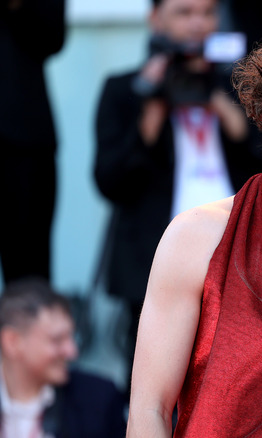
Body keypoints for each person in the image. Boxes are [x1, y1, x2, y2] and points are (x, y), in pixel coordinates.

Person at [94, 0, 262, 395]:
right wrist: (151, 108)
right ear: (155, 17)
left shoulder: (239, 87)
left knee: (236, 378)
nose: (197, 23)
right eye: (184, 12)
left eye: (207, 13)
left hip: (238, 247)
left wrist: (221, 103)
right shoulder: (125, 89)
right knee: (150, 382)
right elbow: (110, 180)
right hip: (154, 253)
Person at [0, 277, 126, 437]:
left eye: (71, 337)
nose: (72, 352)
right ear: (12, 342)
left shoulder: (98, 401)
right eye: (57, 340)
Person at [0, 0, 65, 286]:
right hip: (22, 133)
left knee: (28, 270)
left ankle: (27, 332)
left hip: (21, 137)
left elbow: (51, 37)